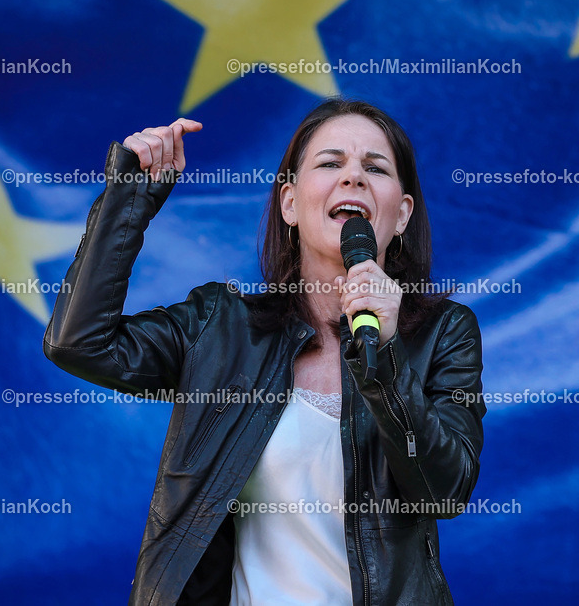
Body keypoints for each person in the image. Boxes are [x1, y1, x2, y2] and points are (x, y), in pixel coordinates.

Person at [44, 99, 486, 605]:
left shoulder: (445, 333)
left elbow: (444, 490)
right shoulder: (222, 325)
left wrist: (384, 355)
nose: (353, 179)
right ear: (290, 204)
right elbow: (79, 342)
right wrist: (127, 202)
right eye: (330, 163)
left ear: (401, 214)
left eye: (375, 168)